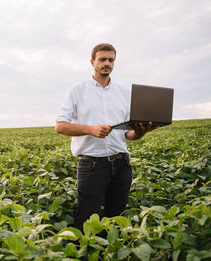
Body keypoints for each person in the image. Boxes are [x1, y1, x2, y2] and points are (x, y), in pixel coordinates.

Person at [55, 43, 158, 232]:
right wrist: (90, 130)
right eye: (102, 59)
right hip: (91, 165)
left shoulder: (124, 93)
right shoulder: (77, 91)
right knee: (87, 220)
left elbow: (129, 134)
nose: (107, 63)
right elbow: (60, 126)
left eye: (111, 60)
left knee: (116, 220)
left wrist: (142, 131)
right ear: (92, 62)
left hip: (121, 165)